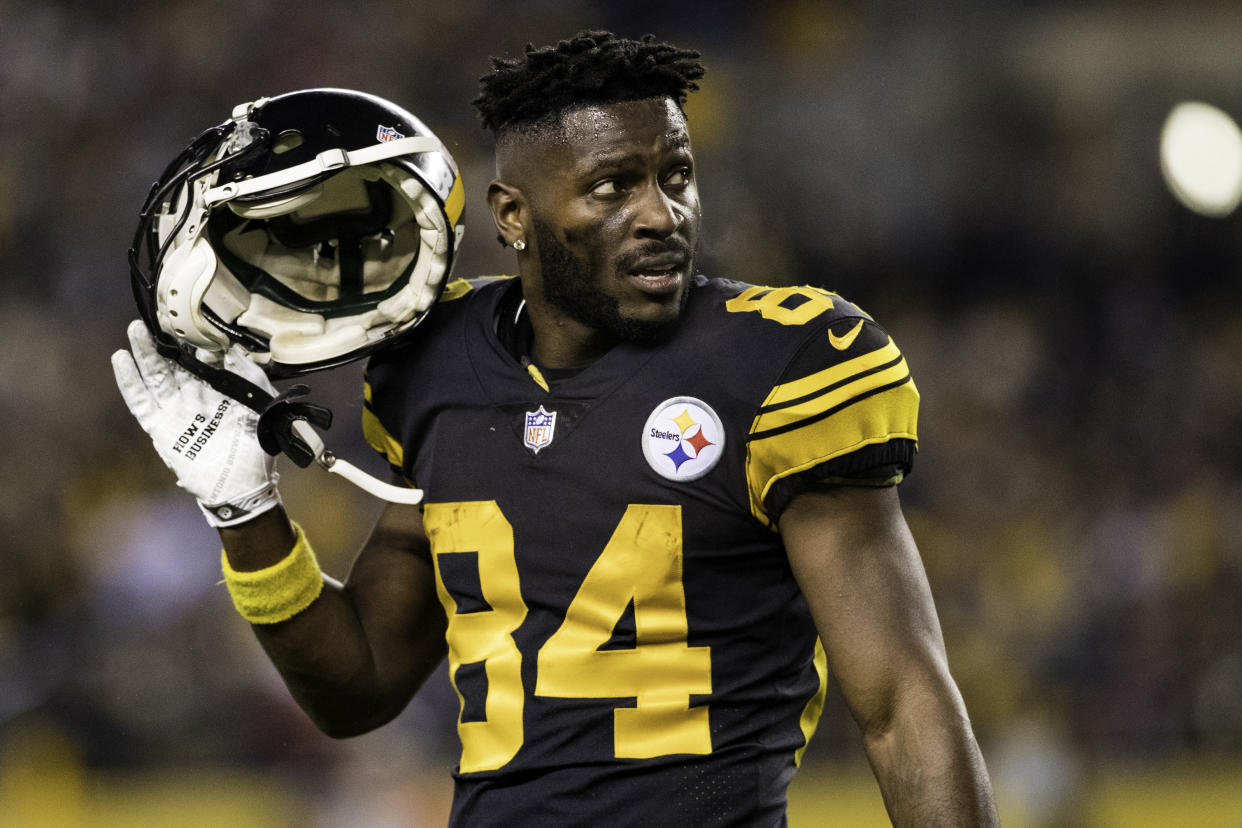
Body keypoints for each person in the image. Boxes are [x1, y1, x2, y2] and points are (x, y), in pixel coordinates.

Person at [113, 30, 998, 827]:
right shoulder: (437, 369)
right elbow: (361, 686)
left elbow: (900, 702)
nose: (661, 213)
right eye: (614, 185)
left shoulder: (783, 362)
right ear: (512, 218)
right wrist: (244, 515)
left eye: (675, 175)